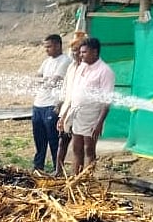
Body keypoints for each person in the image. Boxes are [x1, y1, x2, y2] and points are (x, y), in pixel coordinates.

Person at [58, 37, 114, 176]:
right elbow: (73, 93)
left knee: (89, 148)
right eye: (80, 52)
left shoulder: (105, 71)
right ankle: (75, 177)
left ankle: (87, 179)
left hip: (92, 114)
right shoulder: (81, 67)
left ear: (95, 52)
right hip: (77, 113)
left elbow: (107, 101)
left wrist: (99, 123)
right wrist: (64, 114)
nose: (80, 55)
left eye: (84, 52)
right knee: (76, 148)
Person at [32, 34, 71, 172]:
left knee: (53, 139)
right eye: (45, 47)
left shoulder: (65, 61)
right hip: (38, 104)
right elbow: (36, 79)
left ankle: (57, 168)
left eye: (48, 46)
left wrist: (45, 80)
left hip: (52, 105)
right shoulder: (46, 61)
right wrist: (45, 80)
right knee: (39, 139)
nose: (46, 50)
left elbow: (54, 82)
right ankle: (38, 167)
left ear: (58, 45)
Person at [55, 32, 87, 176]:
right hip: (67, 110)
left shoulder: (89, 68)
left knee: (79, 147)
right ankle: (58, 171)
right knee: (62, 142)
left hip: (81, 112)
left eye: (77, 50)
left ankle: (78, 175)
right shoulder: (71, 67)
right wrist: (60, 105)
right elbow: (65, 88)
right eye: (73, 50)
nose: (75, 53)